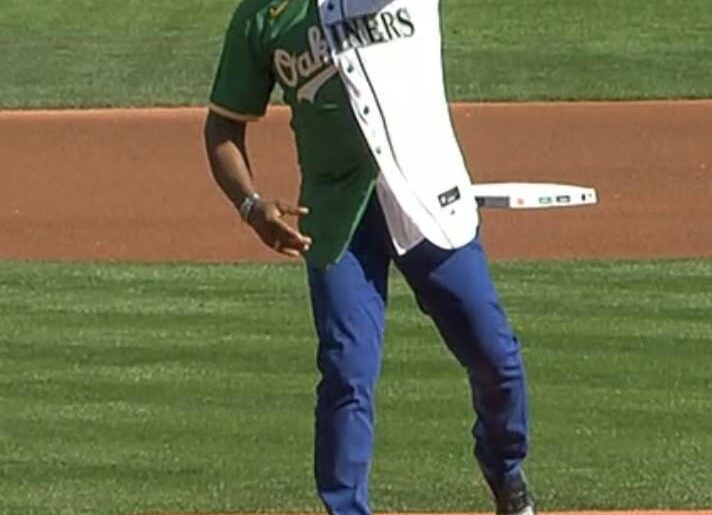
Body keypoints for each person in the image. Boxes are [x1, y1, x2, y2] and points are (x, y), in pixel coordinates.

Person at [203, 1, 535, 514]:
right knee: (347, 372)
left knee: (497, 359)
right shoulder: (263, 16)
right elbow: (222, 127)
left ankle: (505, 470)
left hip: (427, 197)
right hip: (338, 218)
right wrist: (251, 204)